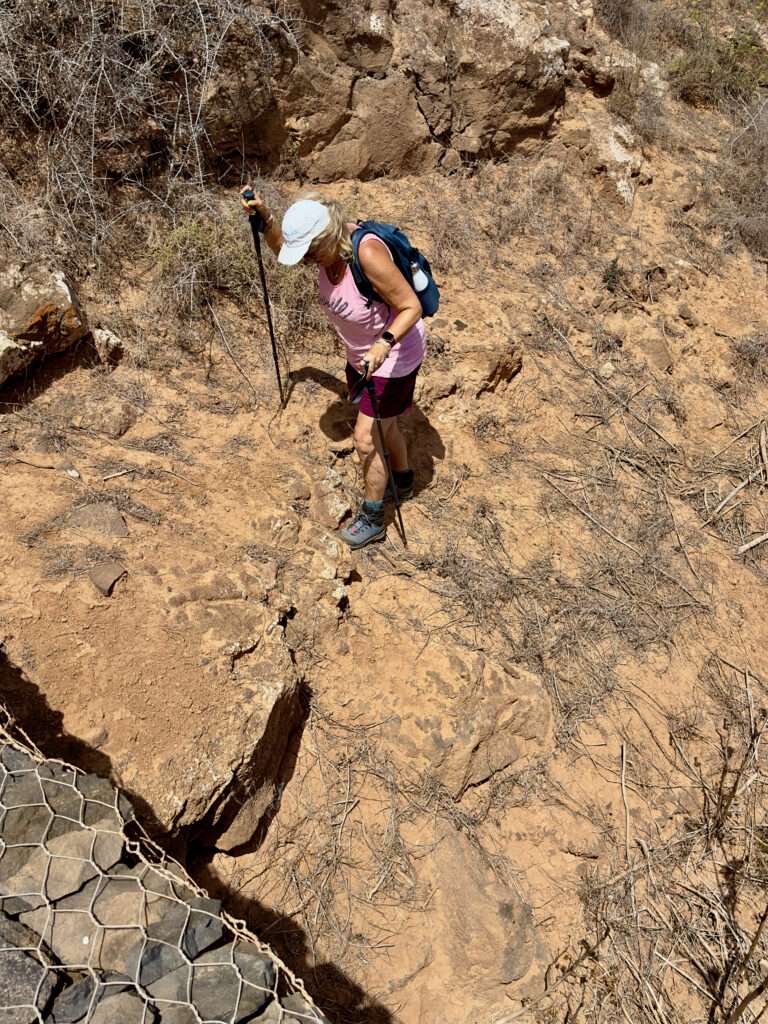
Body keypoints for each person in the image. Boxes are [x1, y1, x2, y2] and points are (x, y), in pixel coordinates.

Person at [240, 187, 426, 550]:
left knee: (364, 437)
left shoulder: (367, 254)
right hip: (362, 357)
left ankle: (374, 518)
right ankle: (402, 479)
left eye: (310, 251)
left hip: (393, 356)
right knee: (384, 422)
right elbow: (285, 251)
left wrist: (382, 344)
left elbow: (410, 306)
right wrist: (265, 221)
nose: (307, 260)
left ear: (327, 237)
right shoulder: (325, 254)